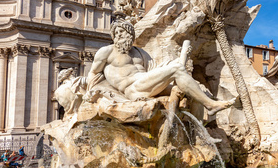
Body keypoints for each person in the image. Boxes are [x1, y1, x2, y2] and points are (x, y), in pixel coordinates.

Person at [86, 19, 235, 115]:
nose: (118, 35)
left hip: (147, 83)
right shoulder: (106, 51)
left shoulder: (140, 52)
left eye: (122, 32)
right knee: (176, 69)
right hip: (132, 89)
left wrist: (182, 58)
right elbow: (93, 74)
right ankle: (211, 105)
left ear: (130, 34)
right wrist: (89, 95)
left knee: (191, 90)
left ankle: (198, 133)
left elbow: (156, 70)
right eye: (116, 33)